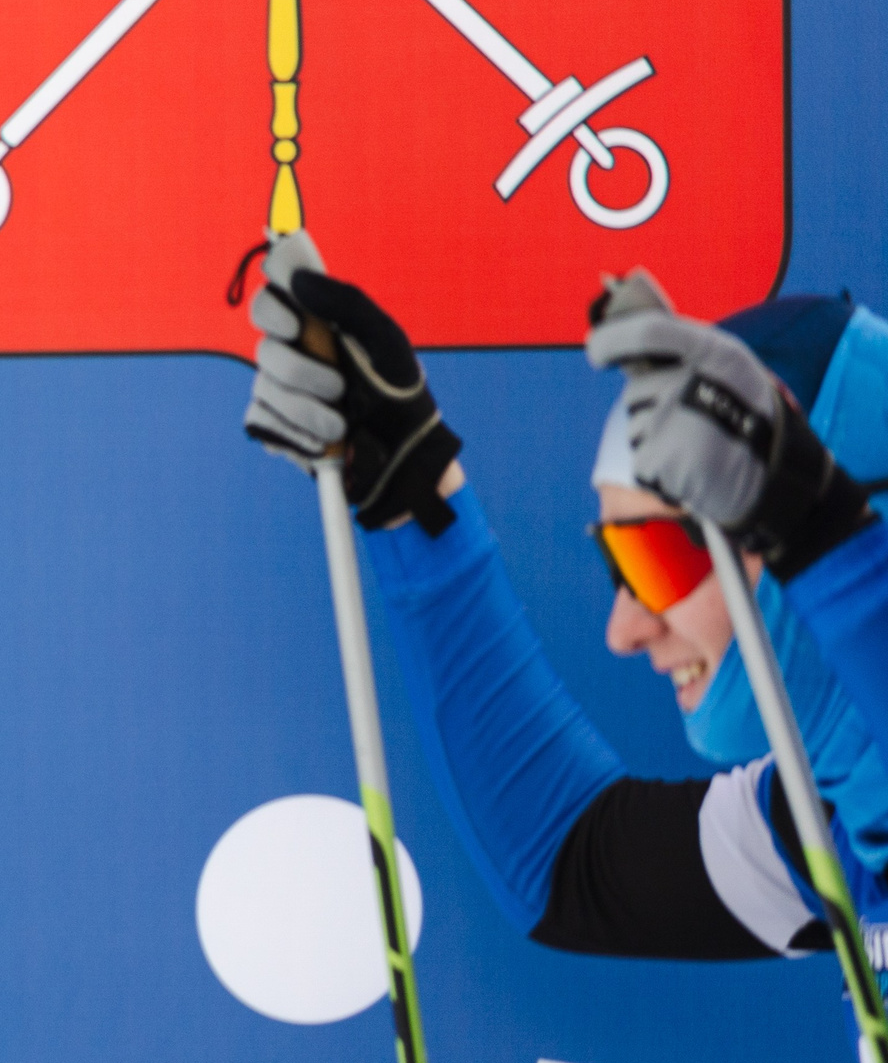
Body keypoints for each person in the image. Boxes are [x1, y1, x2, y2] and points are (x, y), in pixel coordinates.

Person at [237, 230, 888, 974]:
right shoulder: (830, 825)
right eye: (622, 563)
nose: (625, 629)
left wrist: (820, 531)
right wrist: (409, 486)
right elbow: (562, 857)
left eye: (663, 553)